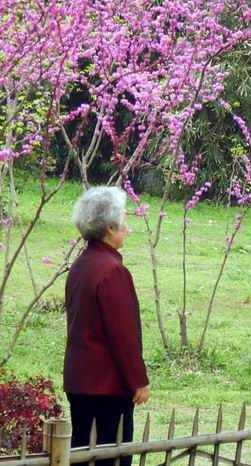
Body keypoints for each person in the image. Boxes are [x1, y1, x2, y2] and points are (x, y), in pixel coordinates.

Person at [64, 186, 150, 466]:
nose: (128, 226)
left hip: (79, 382)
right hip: (107, 386)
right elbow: (123, 335)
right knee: (110, 458)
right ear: (111, 227)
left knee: (81, 457)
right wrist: (138, 381)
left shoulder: (80, 265)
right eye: (125, 219)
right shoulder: (112, 271)